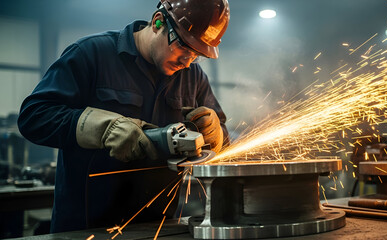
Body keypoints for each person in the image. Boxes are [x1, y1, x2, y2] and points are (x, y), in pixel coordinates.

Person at [17, 0, 230, 233]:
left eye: (197, 54)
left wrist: (215, 133)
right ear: (158, 22)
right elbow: (34, 116)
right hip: (85, 227)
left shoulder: (193, 77)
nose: (187, 61)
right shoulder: (92, 54)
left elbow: (226, 141)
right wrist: (100, 128)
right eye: (184, 47)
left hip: (157, 227)